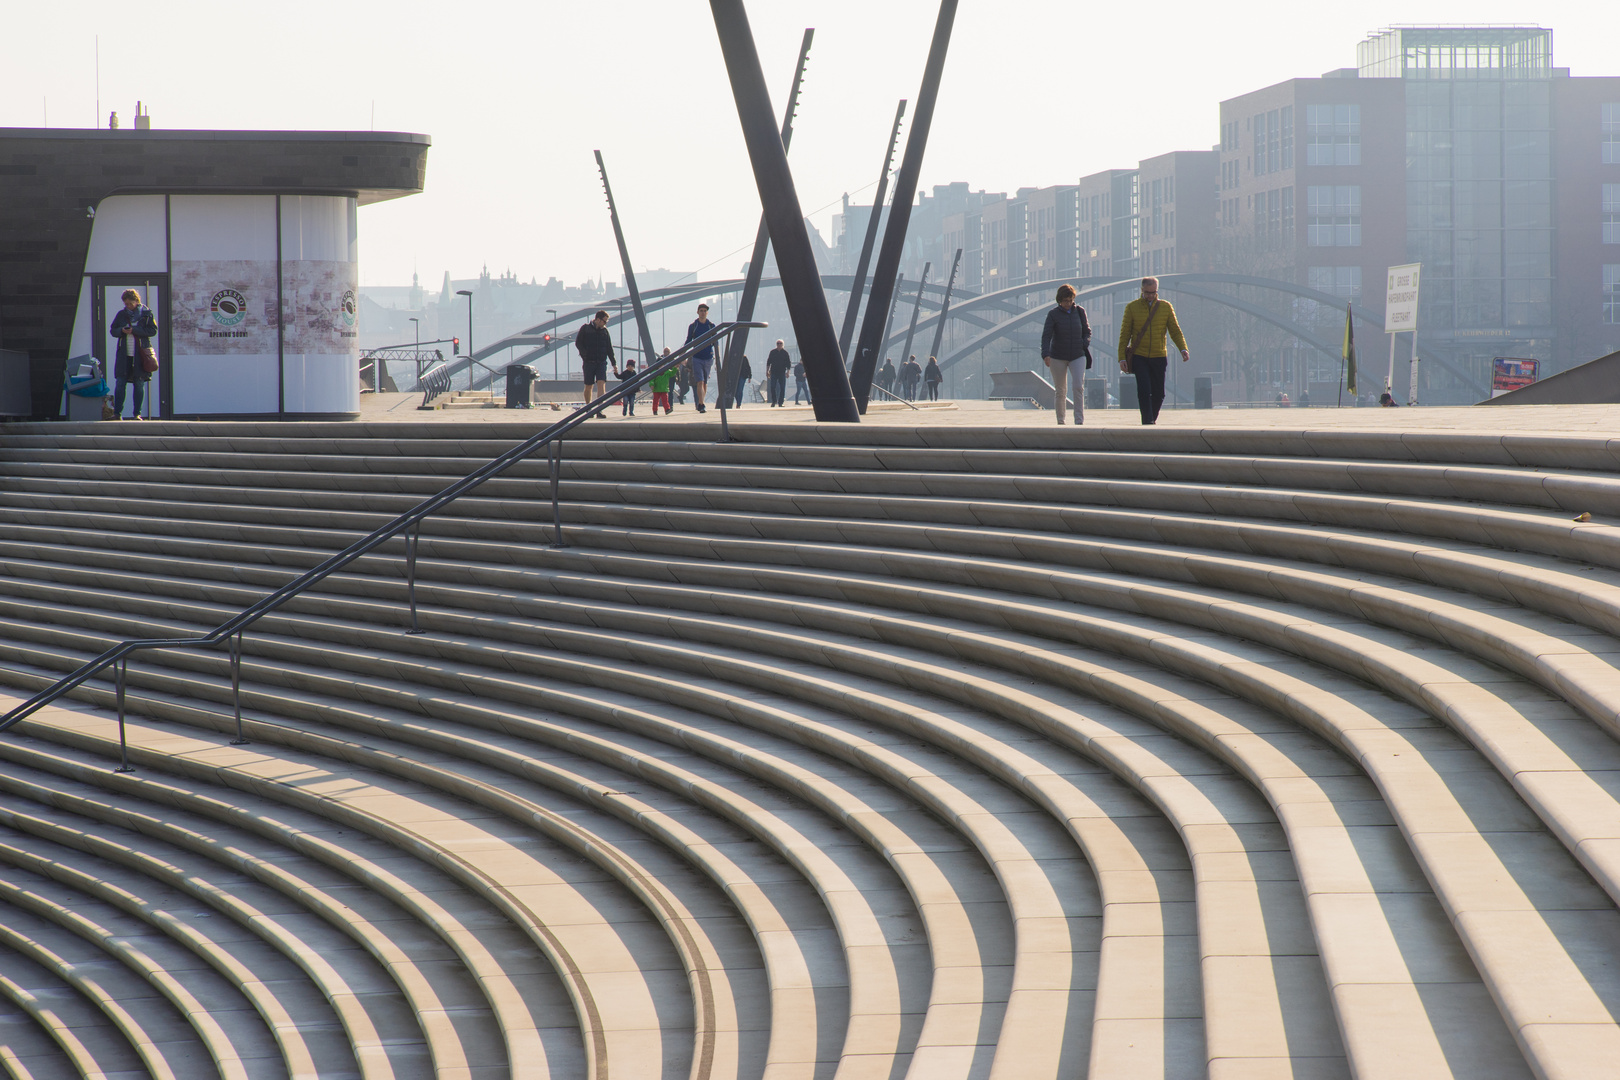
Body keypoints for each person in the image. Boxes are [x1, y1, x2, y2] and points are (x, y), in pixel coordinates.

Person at [1116, 276, 1188, 425]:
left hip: (1159, 355)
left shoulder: (1165, 307)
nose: (1151, 295)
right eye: (1148, 292)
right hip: (1139, 356)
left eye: (1154, 292)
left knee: (1159, 394)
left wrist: (1183, 349)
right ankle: (1147, 422)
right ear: (1141, 290)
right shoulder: (1132, 307)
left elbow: (1175, 331)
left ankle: (1151, 419)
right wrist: (1122, 358)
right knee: (1144, 390)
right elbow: (1125, 334)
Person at [1040, 284, 1092, 425]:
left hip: (1077, 355)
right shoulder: (1053, 314)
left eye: (1070, 300)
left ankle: (1079, 421)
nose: (1068, 304)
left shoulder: (1080, 312)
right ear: (1059, 300)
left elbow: (1087, 331)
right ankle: (1061, 421)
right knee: (1061, 390)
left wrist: (1084, 343)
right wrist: (1046, 354)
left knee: (1078, 387)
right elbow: (1046, 336)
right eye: (1065, 301)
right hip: (1058, 356)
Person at [109, 289, 157, 419]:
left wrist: (134, 330)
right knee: (120, 382)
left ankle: (137, 414)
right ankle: (117, 413)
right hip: (124, 354)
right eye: (126, 304)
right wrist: (122, 331)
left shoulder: (146, 314)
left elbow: (152, 330)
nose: (128, 306)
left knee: (139, 383)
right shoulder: (121, 314)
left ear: (136, 301)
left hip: (140, 354)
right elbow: (113, 330)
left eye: (130, 303)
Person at [574, 309, 614, 407]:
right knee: (588, 386)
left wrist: (614, 363)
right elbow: (578, 343)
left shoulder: (605, 331)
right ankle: (588, 407)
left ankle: (599, 408)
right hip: (589, 362)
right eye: (605, 321)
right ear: (598, 320)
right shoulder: (585, 328)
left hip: (601, 362)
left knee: (601, 383)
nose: (605, 323)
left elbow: (609, 347)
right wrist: (585, 355)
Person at [683, 302, 717, 413]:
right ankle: (701, 404)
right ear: (698, 312)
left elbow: (716, 342)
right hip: (697, 357)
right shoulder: (693, 326)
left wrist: (718, 357)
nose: (703, 313)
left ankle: (702, 402)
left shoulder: (711, 326)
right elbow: (688, 341)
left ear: (707, 313)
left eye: (704, 311)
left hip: (708, 357)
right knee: (700, 381)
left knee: (705, 382)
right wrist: (682, 354)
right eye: (701, 311)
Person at [649, 348, 677, 414]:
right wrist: (652, 384)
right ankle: (655, 410)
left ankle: (667, 409)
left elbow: (672, 373)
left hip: (664, 389)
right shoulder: (654, 372)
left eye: (662, 365)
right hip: (657, 389)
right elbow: (651, 380)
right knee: (656, 400)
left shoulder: (667, 372)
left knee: (665, 400)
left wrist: (675, 368)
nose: (662, 366)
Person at [765, 340, 791, 407]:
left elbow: (788, 363)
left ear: (783, 344)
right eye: (778, 343)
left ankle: (780, 402)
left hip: (782, 372)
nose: (779, 344)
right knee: (772, 387)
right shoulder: (773, 352)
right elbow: (768, 362)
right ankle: (774, 401)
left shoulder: (785, 353)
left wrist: (788, 372)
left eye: (780, 343)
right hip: (773, 372)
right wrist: (767, 371)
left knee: (782, 387)